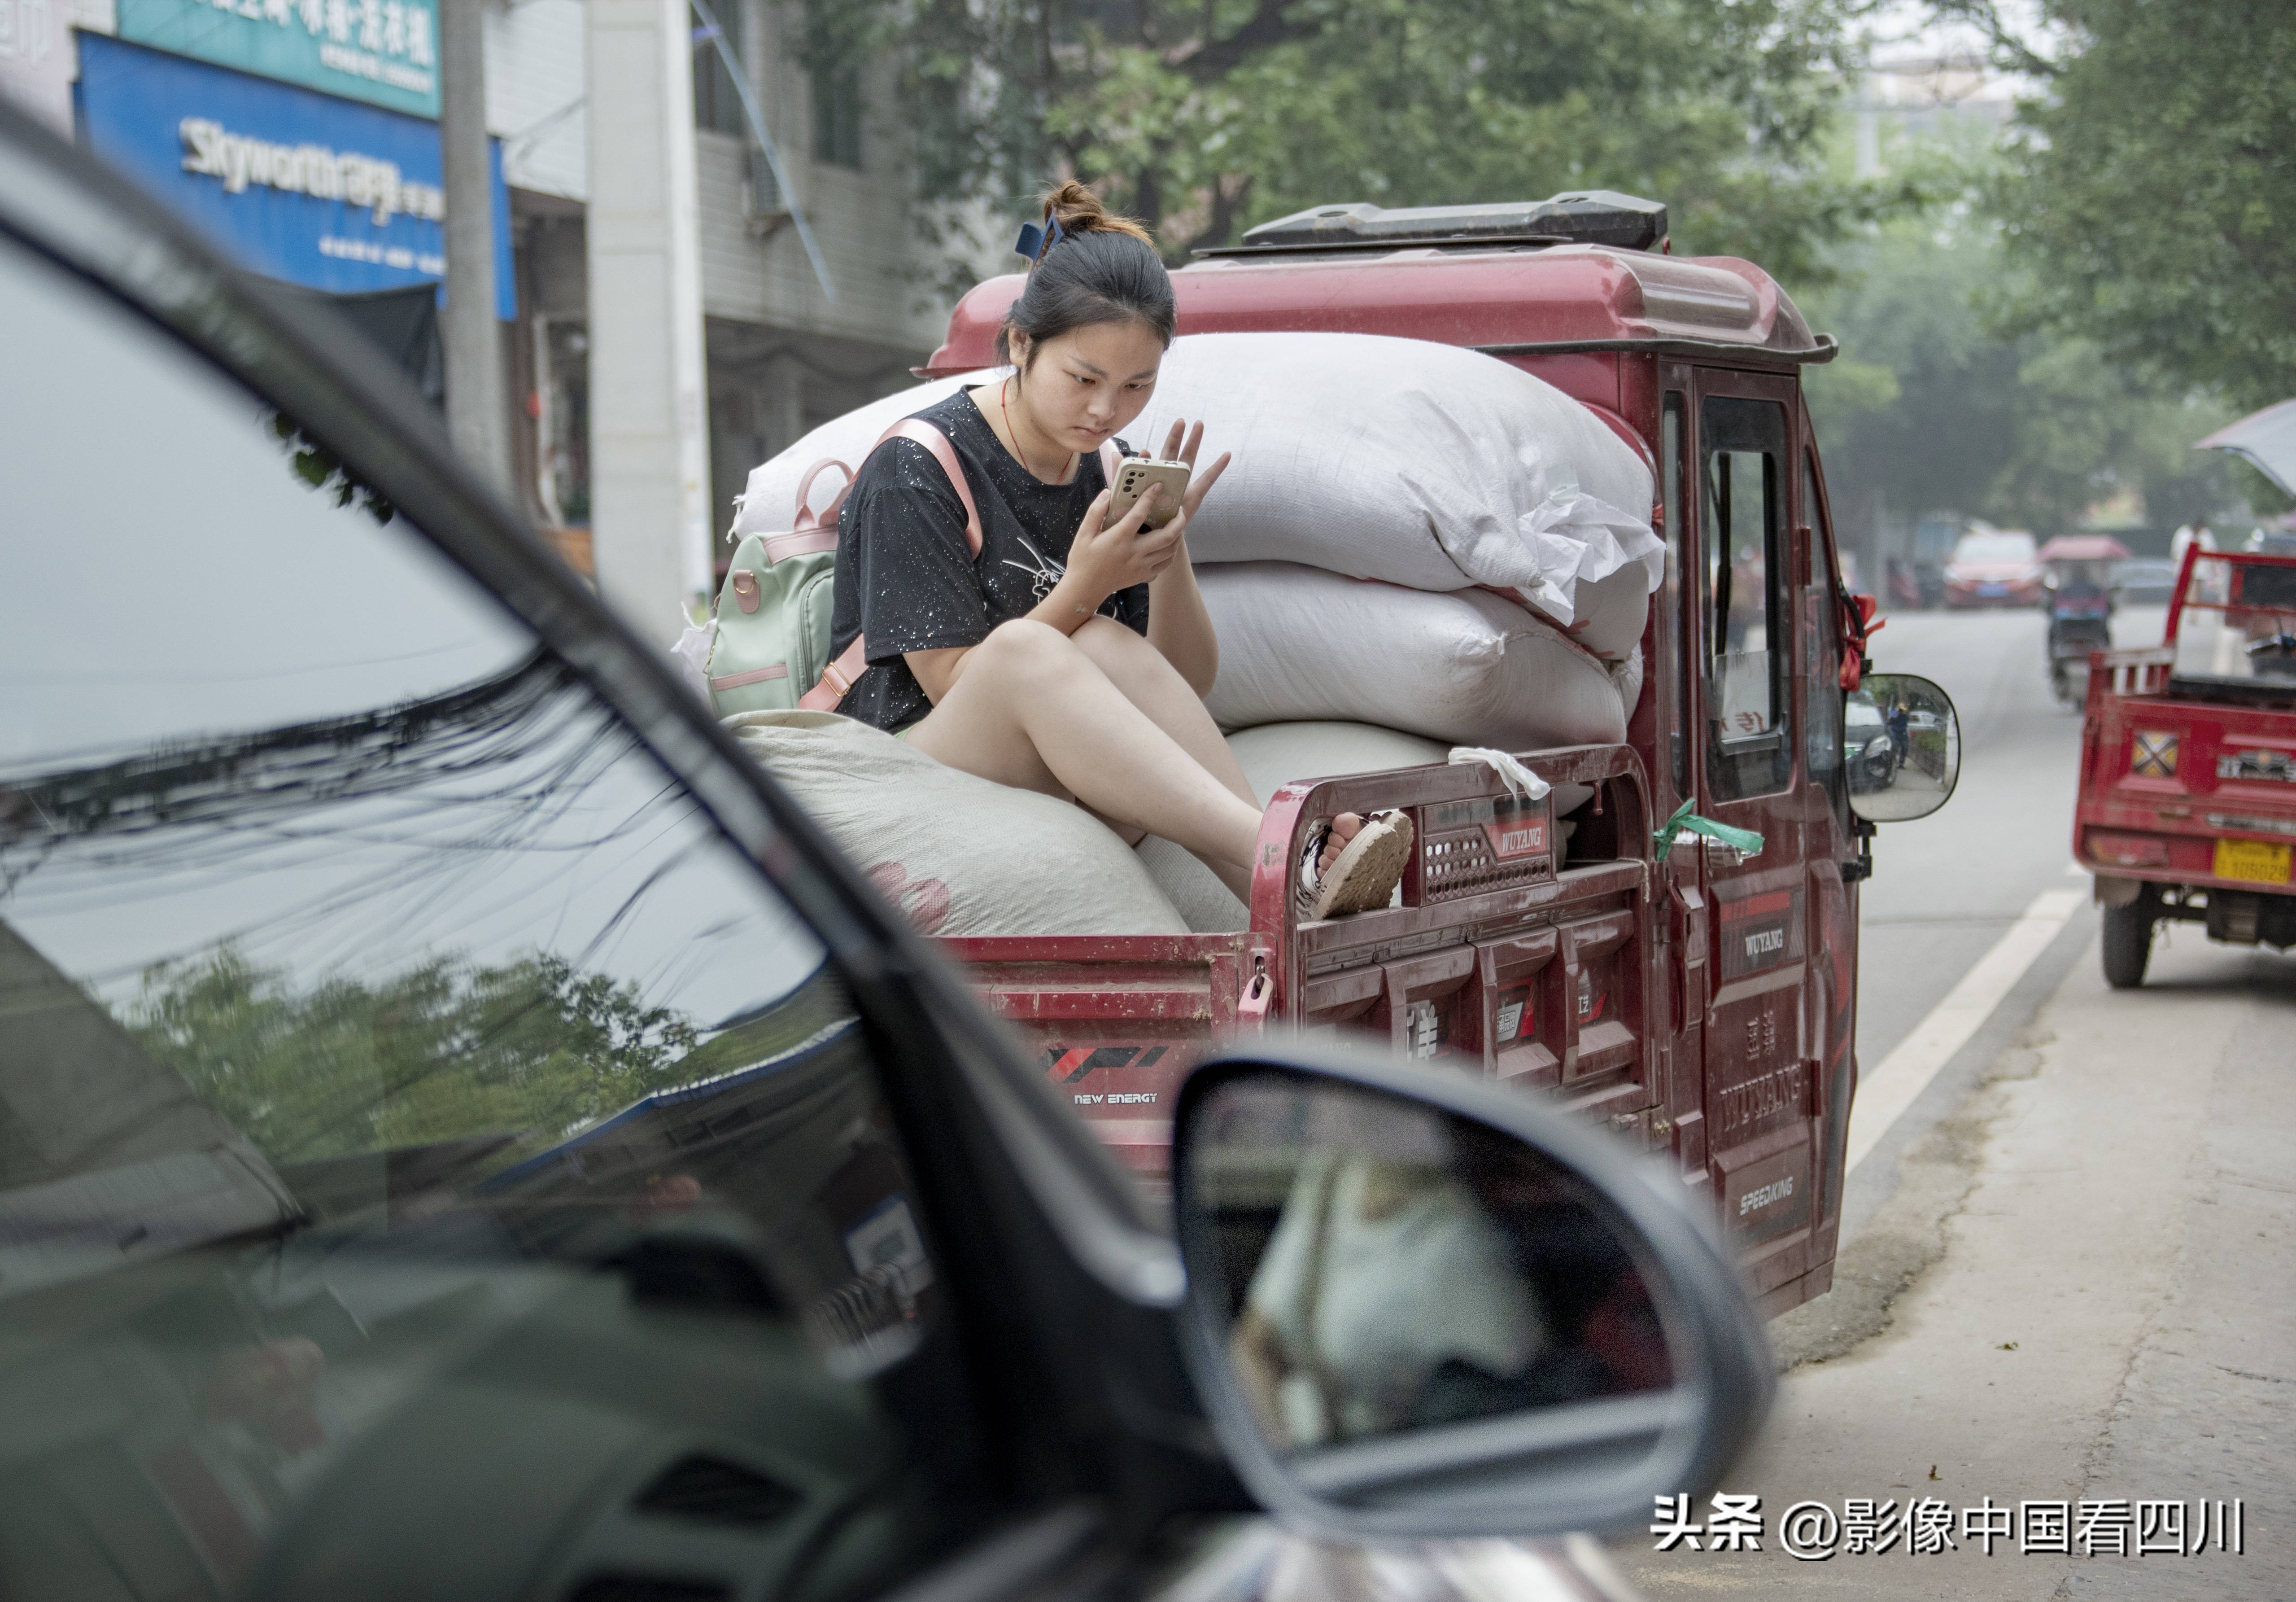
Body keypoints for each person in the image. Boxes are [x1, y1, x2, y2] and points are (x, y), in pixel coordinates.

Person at [825, 182, 1409, 916]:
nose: (1106, 409)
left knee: (1097, 641)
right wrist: (1084, 583)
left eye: (1138, 384)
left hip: (1049, 766)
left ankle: (1282, 904)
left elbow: (1181, 681)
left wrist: (1166, 551)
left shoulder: (1109, 470)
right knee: (1032, 650)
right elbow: (955, 683)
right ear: (1019, 346)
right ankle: (1284, 845)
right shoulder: (918, 466)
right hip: (908, 766)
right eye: (1084, 379)